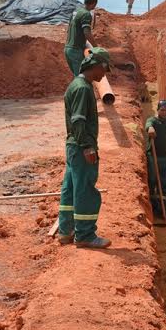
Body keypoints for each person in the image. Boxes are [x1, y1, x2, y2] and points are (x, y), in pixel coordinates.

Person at [57, 47, 112, 248]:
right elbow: (78, 120)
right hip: (81, 146)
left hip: (74, 145)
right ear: (96, 66)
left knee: (70, 188)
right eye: (105, 69)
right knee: (85, 189)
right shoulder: (82, 88)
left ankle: (66, 231)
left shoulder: (78, 84)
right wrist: (88, 147)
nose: (104, 74)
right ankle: (85, 235)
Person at [65, 0, 98, 76]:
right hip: (75, 51)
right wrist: (96, 48)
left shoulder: (76, 11)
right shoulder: (86, 14)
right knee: (81, 78)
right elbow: (87, 33)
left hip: (67, 49)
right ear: (94, 3)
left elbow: (68, 30)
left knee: (77, 77)